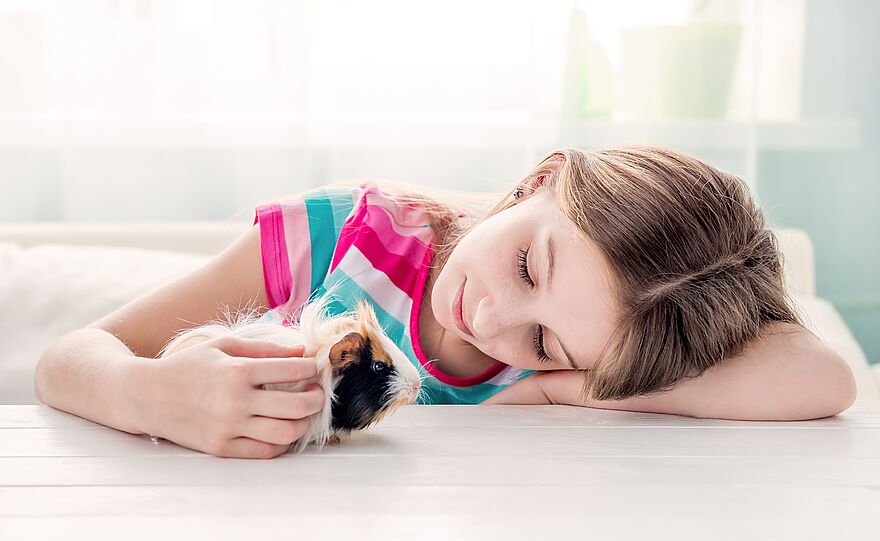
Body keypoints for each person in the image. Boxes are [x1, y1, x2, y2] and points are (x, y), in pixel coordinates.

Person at [33, 146, 858, 459]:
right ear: (540, 178)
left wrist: (577, 380)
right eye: (530, 265)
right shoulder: (347, 233)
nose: (495, 321)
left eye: (550, 342)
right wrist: (152, 398)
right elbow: (69, 358)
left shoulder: (539, 376)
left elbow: (825, 378)